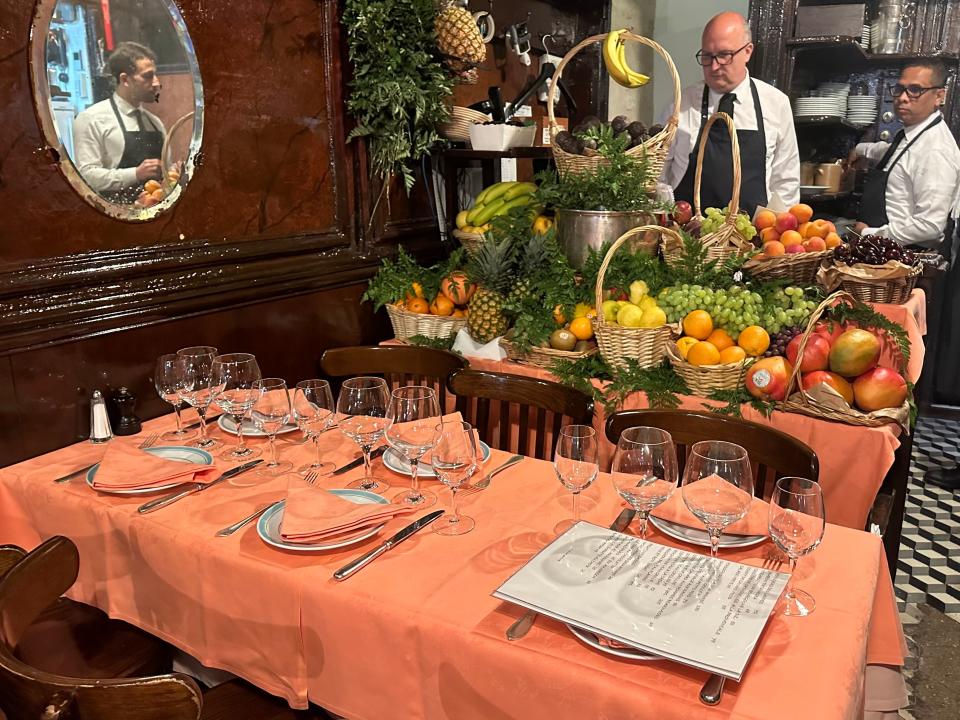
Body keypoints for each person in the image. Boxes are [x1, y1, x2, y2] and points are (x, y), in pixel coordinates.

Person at [659, 12, 800, 215]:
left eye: (724, 55)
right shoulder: (680, 105)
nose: (714, 66)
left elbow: (786, 181)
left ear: (748, 51)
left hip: (754, 238)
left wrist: (778, 235)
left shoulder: (776, 104)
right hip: (688, 239)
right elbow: (657, 176)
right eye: (707, 56)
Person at [847, 60, 960, 251]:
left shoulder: (936, 150)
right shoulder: (915, 135)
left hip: (906, 257)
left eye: (915, 90)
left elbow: (929, 226)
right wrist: (860, 149)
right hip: (885, 250)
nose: (903, 98)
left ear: (939, 96)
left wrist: (869, 234)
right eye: (900, 89)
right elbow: (894, 152)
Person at [72, 41, 166, 203]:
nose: (157, 83)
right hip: (115, 218)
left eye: (155, 75)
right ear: (125, 79)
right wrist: (135, 173)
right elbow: (86, 176)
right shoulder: (91, 119)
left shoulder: (155, 123)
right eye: (147, 76)